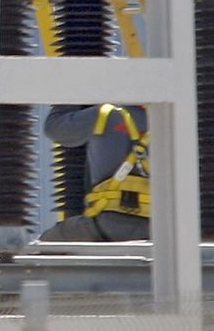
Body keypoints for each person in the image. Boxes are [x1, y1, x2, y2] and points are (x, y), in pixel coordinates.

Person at [39, 102, 150, 242]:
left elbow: (55, 128)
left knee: (46, 244)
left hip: (105, 224)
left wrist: (68, 98)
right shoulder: (168, 121)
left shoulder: (105, 115)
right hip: (154, 229)